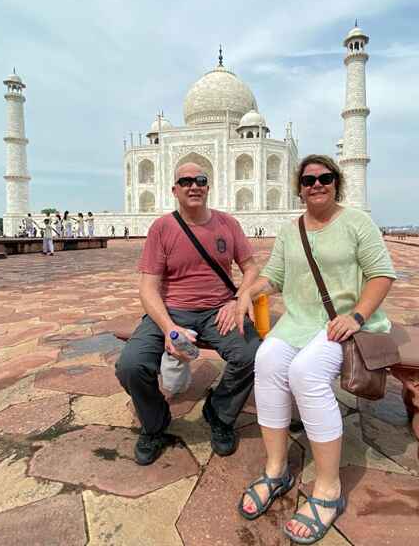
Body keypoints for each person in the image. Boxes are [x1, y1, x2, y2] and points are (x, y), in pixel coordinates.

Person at [236, 154, 396, 544]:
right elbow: (274, 276)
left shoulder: (357, 222)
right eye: (309, 180)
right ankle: (276, 470)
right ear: (300, 188)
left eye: (325, 177)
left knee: (305, 373)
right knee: (268, 360)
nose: (317, 184)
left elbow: (381, 274)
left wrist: (356, 316)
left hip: (341, 324)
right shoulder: (291, 231)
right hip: (299, 322)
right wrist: (246, 293)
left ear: (337, 181)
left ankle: (328, 489)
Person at [115, 162, 261, 466]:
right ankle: (155, 423)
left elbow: (250, 268)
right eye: (185, 181)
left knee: (252, 354)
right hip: (170, 311)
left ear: (209, 186)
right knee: (130, 365)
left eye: (201, 180)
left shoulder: (228, 224)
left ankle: (219, 414)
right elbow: (148, 288)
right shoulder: (162, 228)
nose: (194, 186)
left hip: (217, 310)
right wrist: (169, 328)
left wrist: (237, 299)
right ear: (174, 189)